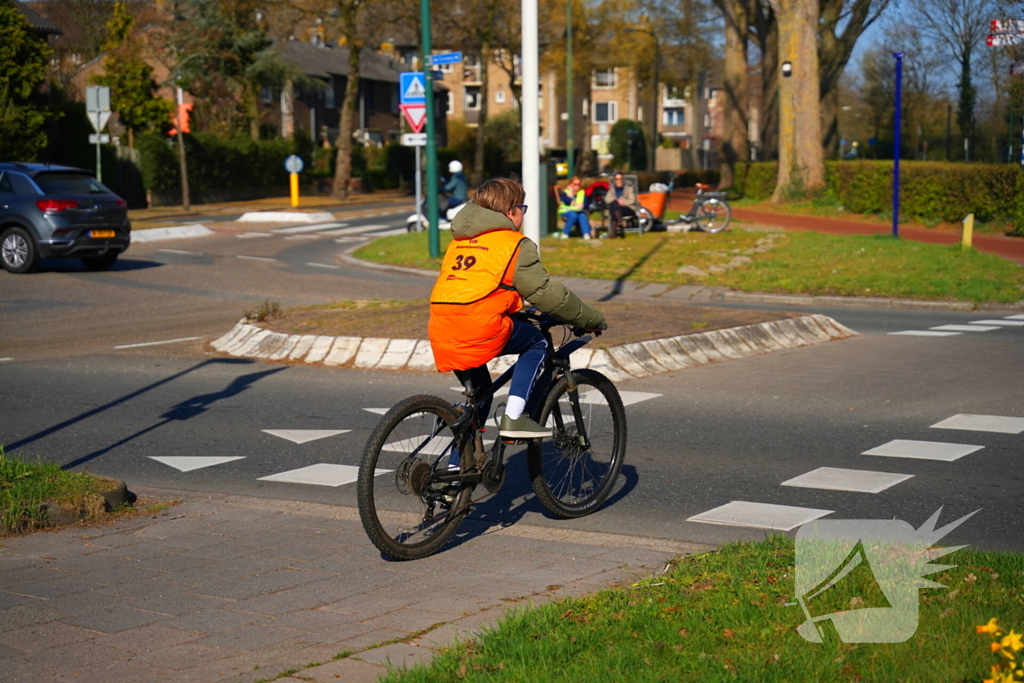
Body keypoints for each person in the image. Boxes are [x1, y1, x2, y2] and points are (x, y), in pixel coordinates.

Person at [428, 177, 606, 440]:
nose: (523, 214)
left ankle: (457, 468)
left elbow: (475, 287)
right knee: (538, 344)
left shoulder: (459, 242)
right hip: (480, 326)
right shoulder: (513, 243)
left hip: (442, 328)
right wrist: (591, 317)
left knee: (479, 398)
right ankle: (513, 418)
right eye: (522, 208)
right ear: (511, 211)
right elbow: (547, 295)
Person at [604, 171, 636, 238]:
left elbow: (632, 200)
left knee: (614, 209)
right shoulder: (612, 189)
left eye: (620, 178)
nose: (619, 180)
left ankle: (613, 233)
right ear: (614, 180)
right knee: (614, 205)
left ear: (623, 179)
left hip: (628, 208)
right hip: (617, 209)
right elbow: (607, 199)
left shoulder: (629, 188)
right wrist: (616, 201)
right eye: (617, 179)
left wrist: (623, 202)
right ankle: (620, 221)